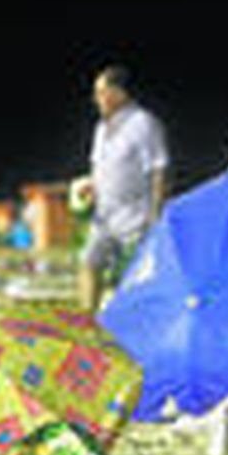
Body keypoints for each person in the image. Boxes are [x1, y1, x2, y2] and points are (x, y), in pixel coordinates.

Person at [71, 65, 170, 312]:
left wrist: (155, 216)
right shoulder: (101, 129)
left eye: (101, 92)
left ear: (119, 93)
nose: (96, 99)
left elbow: (159, 170)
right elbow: (100, 168)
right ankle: (88, 319)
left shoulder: (144, 123)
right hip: (104, 216)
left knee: (131, 278)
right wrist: (91, 187)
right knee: (89, 263)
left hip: (135, 218)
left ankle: (132, 324)